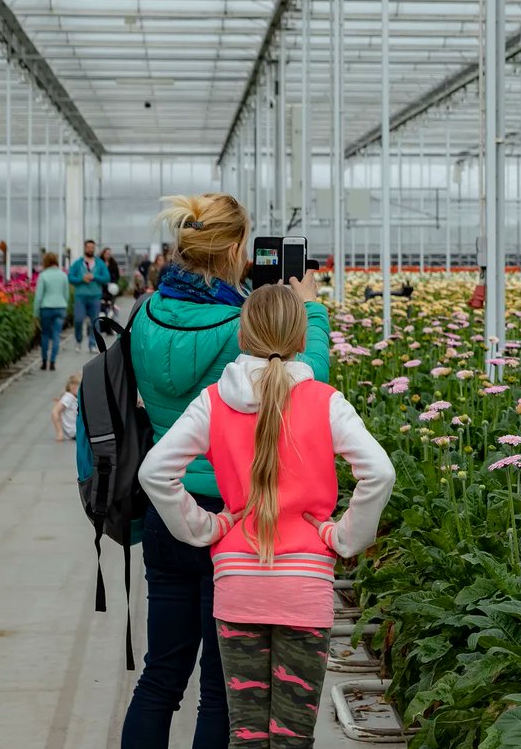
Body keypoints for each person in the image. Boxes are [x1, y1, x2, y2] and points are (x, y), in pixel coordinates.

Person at [138, 285, 395, 748]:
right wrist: (344, 538)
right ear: (300, 337)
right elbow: (379, 472)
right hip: (305, 583)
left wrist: (207, 527)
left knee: (246, 733)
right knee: (292, 737)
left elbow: (155, 472)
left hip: (237, 581)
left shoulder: (214, 400)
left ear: (243, 332)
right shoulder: (325, 400)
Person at [123, 194, 331, 749]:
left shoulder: (143, 314)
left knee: (161, 674)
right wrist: (309, 310)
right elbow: (301, 388)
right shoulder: (237, 325)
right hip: (235, 515)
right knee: (221, 688)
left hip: (167, 507)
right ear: (237, 247)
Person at [68, 239, 112, 353]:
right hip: (80, 296)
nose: (90, 249)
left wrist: (95, 277)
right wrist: (81, 279)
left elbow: (107, 277)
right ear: (85, 248)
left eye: (92, 247)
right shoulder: (78, 263)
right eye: (88, 247)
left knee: (94, 321)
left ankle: (92, 343)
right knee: (78, 319)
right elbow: (70, 277)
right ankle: (78, 340)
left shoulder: (99, 263)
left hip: (95, 296)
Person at [33, 252, 69, 371]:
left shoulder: (43, 276)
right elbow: (66, 294)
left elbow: (38, 296)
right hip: (60, 307)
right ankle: (53, 362)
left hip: (46, 308)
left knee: (45, 335)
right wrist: (65, 305)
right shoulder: (63, 275)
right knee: (56, 335)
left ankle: (44, 361)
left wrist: (35, 313)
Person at [51, 373, 81, 442]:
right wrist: (59, 432)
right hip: (74, 431)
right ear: (72, 387)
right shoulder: (68, 397)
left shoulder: (71, 397)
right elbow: (55, 412)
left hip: (75, 430)